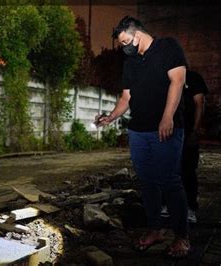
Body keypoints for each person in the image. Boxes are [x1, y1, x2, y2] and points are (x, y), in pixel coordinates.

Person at [97, 16, 190, 258]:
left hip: (165, 128)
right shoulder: (131, 62)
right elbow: (126, 97)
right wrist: (110, 117)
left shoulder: (168, 46)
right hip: (138, 131)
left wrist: (168, 116)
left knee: (170, 181)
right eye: (122, 44)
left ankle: (181, 237)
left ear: (137, 34)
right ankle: (155, 230)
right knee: (147, 182)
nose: (124, 47)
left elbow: (177, 81)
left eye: (126, 41)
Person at [181, 70, 208, 223]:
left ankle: (190, 208)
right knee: (167, 169)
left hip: (187, 131)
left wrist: (195, 130)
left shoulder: (193, 77)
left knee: (188, 170)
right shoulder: (164, 77)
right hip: (168, 131)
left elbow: (199, 103)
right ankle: (166, 204)